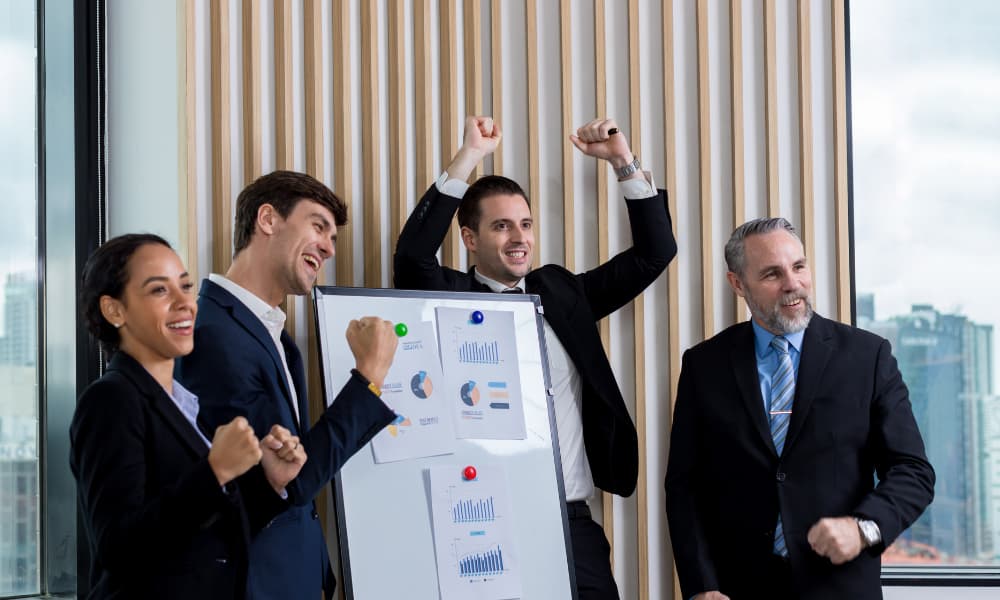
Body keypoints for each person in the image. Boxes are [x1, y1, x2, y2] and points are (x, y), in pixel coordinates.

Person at [394, 115, 677, 599]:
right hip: (482, 515)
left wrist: (622, 162)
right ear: (469, 239)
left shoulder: (564, 293)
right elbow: (411, 260)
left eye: (525, 224)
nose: (519, 238)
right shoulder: (450, 297)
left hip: (571, 520)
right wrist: (469, 157)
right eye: (501, 227)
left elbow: (655, 252)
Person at [664, 218, 935, 600]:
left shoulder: (868, 356)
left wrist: (864, 528)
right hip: (738, 588)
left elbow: (914, 472)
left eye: (799, 266)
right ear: (737, 283)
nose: (792, 284)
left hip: (840, 587)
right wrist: (701, 585)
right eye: (773, 273)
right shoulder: (703, 365)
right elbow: (685, 487)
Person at [175, 171, 399, 599]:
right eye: (318, 226)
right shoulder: (214, 334)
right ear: (267, 219)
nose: (329, 248)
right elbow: (283, 481)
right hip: (254, 582)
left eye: (332, 237)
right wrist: (368, 377)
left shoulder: (271, 333)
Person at [71, 234, 307, 600]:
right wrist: (215, 471)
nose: (185, 303)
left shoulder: (184, 405)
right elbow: (119, 548)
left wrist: (267, 483)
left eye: (185, 287)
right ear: (114, 310)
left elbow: (211, 538)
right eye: (159, 291)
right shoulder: (111, 401)